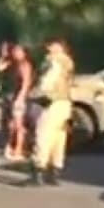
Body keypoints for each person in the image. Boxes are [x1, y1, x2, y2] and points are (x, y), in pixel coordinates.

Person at [27, 37, 76, 186]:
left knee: (43, 137)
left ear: (58, 46)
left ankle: (38, 171)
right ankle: (55, 172)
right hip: (64, 103)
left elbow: (47, 81)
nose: (47, 48)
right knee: (59, 139)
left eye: (50, 45)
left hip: (51, 103)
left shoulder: (52, 61)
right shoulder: (68, 62)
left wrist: (38, 94)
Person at [0, 43, 34, 161]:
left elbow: (26, 82)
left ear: (24, 53)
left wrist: (21, 97)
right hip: (8, 95)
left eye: (18, 51)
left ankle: (19, 150)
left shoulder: (25, 65)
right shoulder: (10, 63)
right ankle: (10, 147)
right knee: (9, 123)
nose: (16, 53)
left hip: (18, 97)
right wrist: (3, 55)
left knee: (18, 125)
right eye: (14, 51)